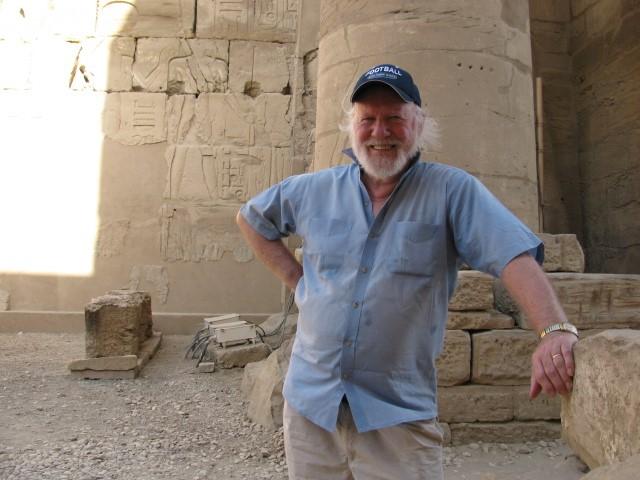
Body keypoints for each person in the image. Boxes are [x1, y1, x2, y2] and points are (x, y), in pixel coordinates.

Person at [236, 63, 578, 479]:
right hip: (311, 408)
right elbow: (252, 220)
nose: (380, 132)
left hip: (396, 415)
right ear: (352, 126)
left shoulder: (452, 190)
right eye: (368, 120)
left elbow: (512, 255)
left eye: (394, 118)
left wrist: (553, 331)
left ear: (419, 124)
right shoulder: (313, 189)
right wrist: (297, 281)